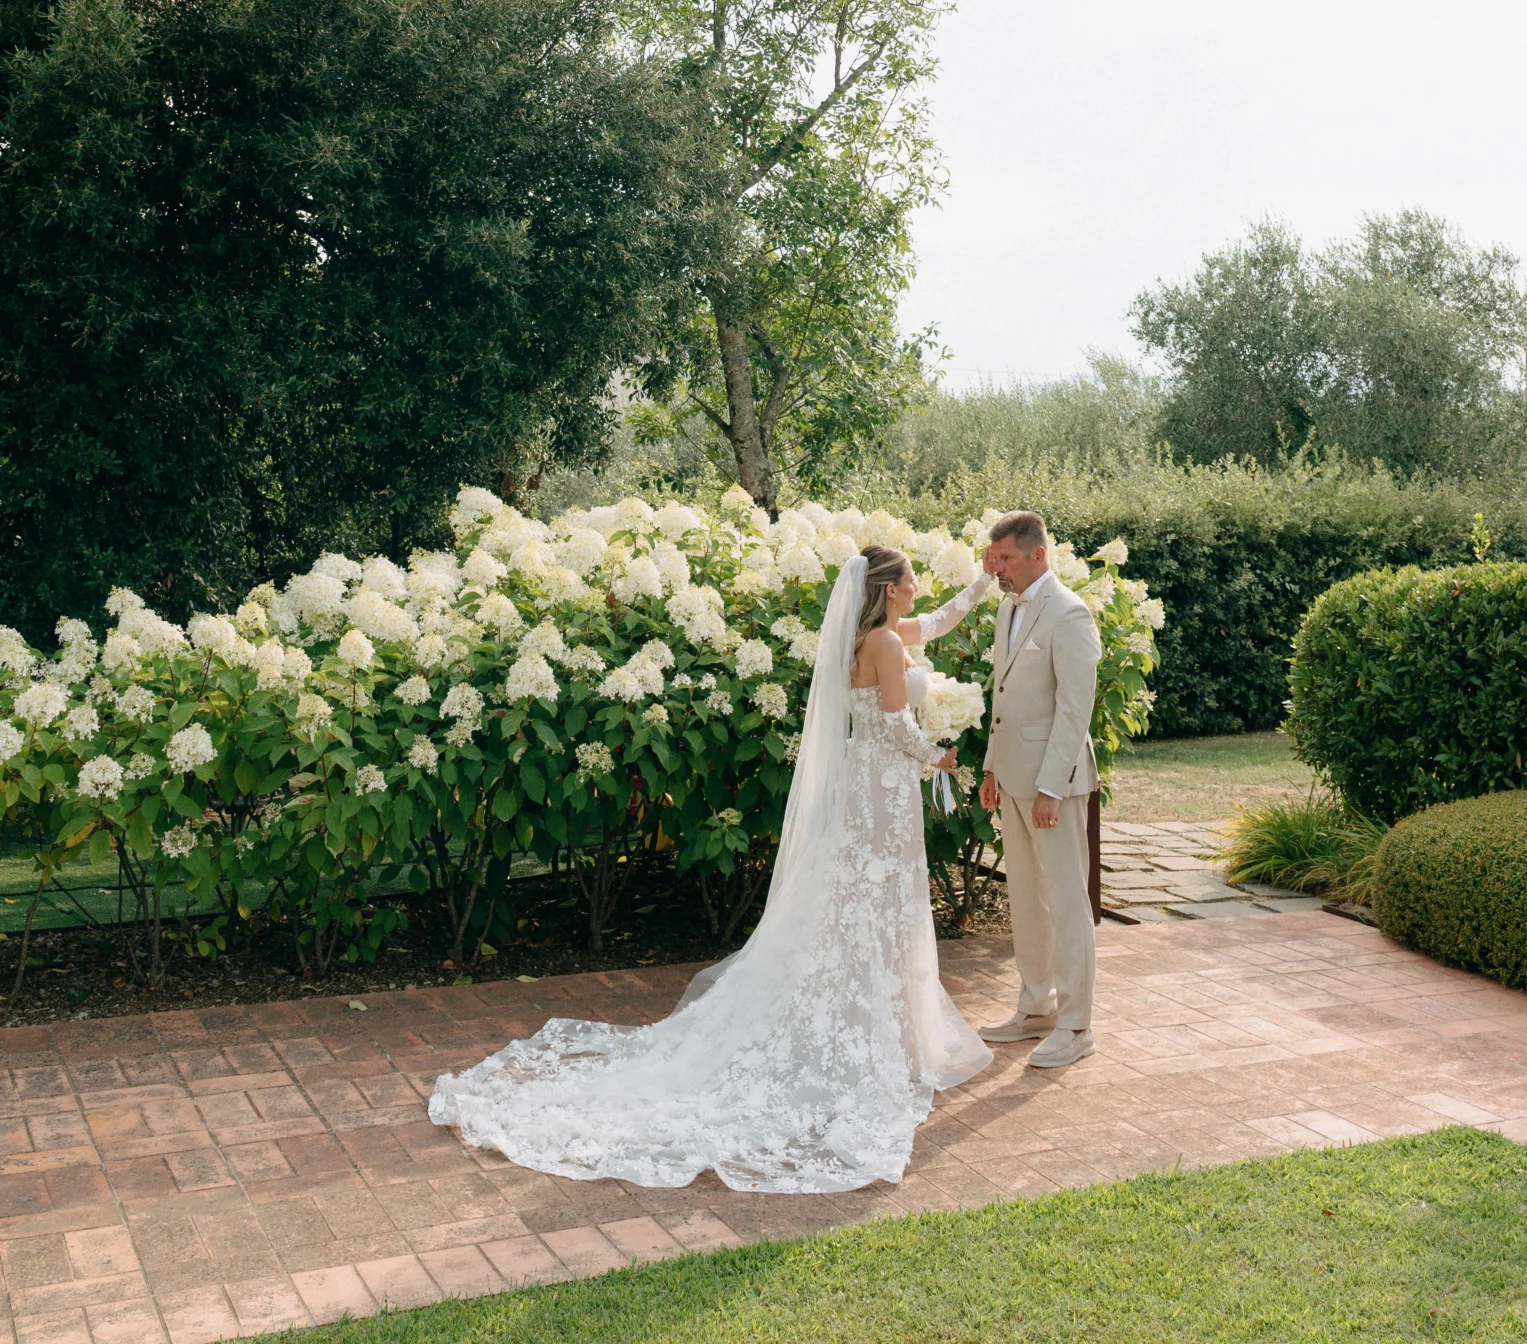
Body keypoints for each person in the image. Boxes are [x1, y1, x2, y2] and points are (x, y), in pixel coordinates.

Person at [426, 547, 995, 1193]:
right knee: (875, 900)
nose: (920, 587)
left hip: (870, 785)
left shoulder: (873, 637)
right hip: (884, 784)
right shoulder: (886, 644)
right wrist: (938, 756)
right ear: (888, 590)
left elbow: (942, 622)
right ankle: (878, 1034)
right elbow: (895, 723)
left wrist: (981, 584)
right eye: (912, 578)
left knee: (863, 901)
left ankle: (888, 1025)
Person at [978, 508, 1102, 1068]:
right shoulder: (1007, 607)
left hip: (1054, 785)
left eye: (1005, 558)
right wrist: (990, 768)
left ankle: (1076, 1025)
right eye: (995, 557)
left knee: (1067, 903)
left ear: (1038, 555)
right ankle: (1036, 1008)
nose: (997, 568)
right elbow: (1002, 699)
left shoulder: (1070, 614)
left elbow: (1075, 712)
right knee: (1025, 899)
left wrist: (1052, 787)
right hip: (1012, 779)